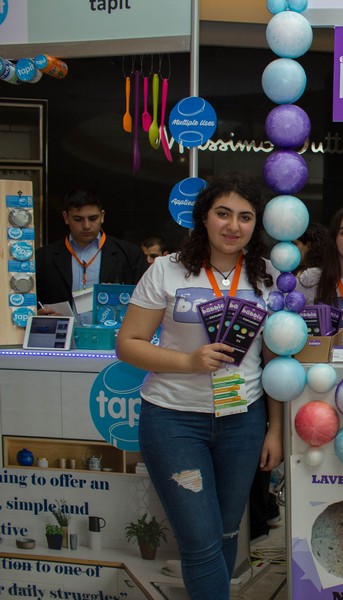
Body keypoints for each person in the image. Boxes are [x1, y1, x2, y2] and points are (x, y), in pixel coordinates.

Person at [116, 173, 282, 599]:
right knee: (200, 541)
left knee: (226, 534)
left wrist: (276, 429)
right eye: (223, 213)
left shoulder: (267, 275)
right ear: (204, 217)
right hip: (173, 422)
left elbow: (275, 361)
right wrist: (188, 362)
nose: (233, 226)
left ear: (256, 224)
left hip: (243, 422)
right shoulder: (166, 270)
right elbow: (128, 344)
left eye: (245, 217)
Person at [35, 187, 146, 309]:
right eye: (78, 219)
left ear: (102, 216)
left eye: (93, 218)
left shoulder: (130, 255)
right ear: (66, 217)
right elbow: (31, 302)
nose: (86, 226)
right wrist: (37, 313)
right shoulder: (43, 257)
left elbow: (145, 300)